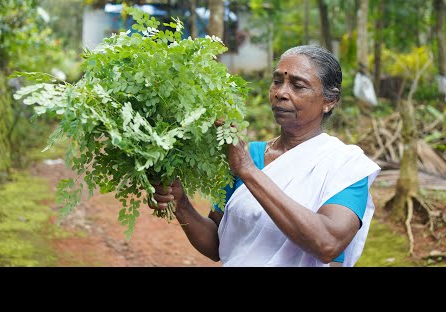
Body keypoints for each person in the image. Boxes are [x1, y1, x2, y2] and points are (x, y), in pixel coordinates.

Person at [149, 45, 381, 267]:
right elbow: (218, 244)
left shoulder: (346, 166)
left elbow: (327, 244)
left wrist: (248, 171)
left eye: (298, 86)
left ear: (329, 100)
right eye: (277, 81)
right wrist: (181, 205)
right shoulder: (249, 154)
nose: (281, 93)